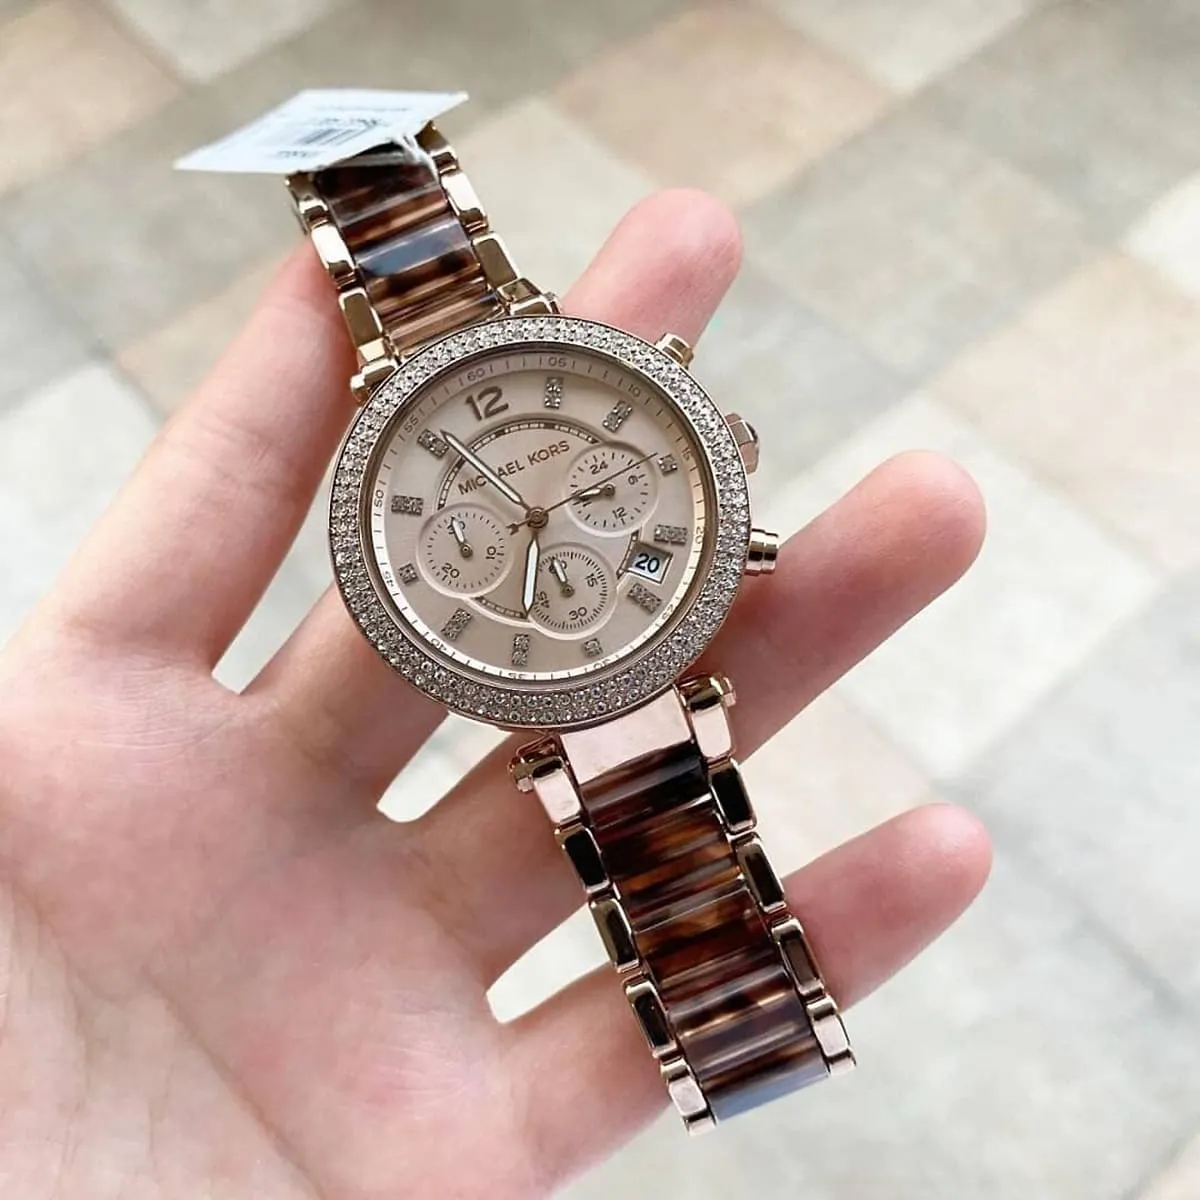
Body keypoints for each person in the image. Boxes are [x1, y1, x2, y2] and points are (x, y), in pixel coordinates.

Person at [0, 192, 991, 1197]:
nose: (535, 516)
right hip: (576, 668)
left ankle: (750, 1036)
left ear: (712, 459)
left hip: (608, 657)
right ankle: (748, 1035)